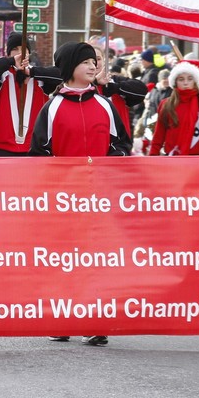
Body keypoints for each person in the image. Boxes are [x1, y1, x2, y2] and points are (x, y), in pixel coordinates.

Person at [30, 42, 130, 347]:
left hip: (99, 199)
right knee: (65, 261)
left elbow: (121, 144)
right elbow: (38, 153)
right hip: (64, 201)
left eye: (94, 61)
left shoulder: (105, 105)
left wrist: (109, 165)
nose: (93, 66)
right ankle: (62, 319)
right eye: (86, 61)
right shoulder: (52, 107)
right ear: (70, 67)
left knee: (97, 261)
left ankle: (96, 321)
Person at [0, 34, 62, 156]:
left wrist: (31, 72)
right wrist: (11, 61)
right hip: (5, 150)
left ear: (29, 53)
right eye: (15, 49)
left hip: (33, 150)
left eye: (24, 49)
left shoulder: (39, 78)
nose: (20, 53)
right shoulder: (1, 77)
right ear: (9, 53)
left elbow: (61, 74)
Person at [148, 60, 199, 156]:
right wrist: (153, 155)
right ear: (175, 82)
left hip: (198, 158)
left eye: (190, 79)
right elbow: (159, 134)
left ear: (195, 82)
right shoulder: (166, 104)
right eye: (181, 79)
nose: (186, 83)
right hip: (173, 158)